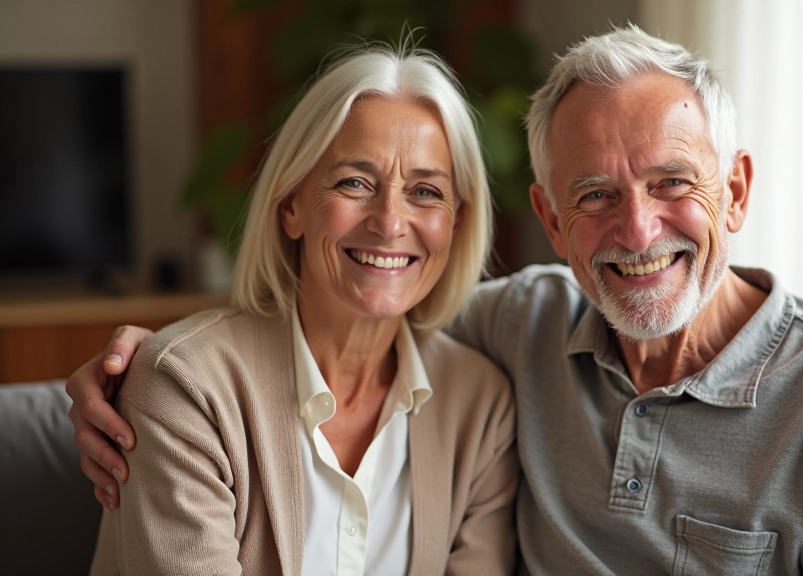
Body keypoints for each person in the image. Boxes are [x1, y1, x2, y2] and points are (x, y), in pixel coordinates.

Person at [68, 26, 803, 575]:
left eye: (673, 182)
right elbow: (351, 317)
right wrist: (150, 363)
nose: (638, 231)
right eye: (595, 195)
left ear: (737, 193)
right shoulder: (518, 333)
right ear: (551, 222)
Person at [81, 45, 518, 575]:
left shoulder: (482, 406)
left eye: (426, 192)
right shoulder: (185, 386)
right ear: (291, 206)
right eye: (355, 183)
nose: (390, 221)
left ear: (456, 224)